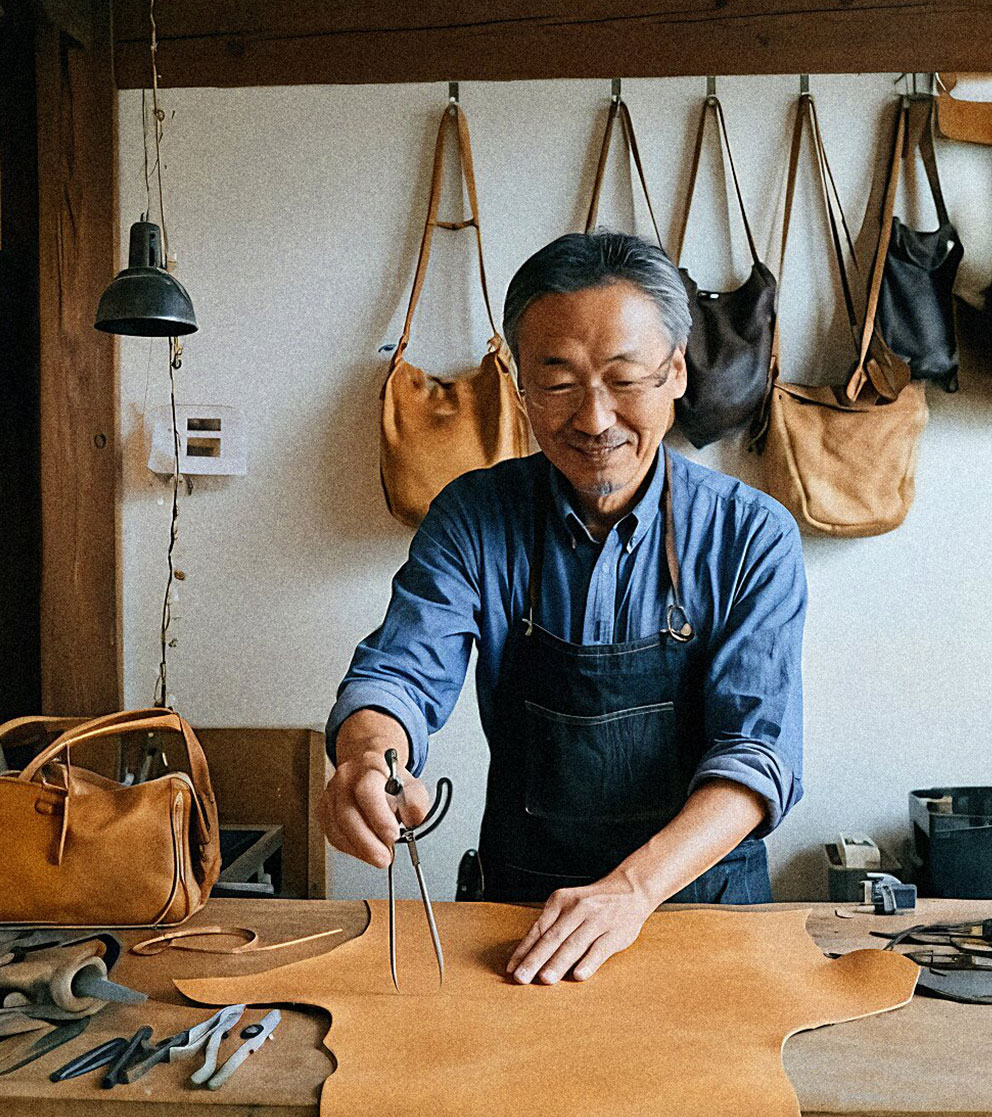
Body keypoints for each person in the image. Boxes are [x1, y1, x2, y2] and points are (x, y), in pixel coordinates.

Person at [323, 230, 806, 985]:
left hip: (704, 913)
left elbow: (757, 753)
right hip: (523, 919)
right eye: (557, 384)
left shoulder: (750, 535)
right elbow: (399, 676)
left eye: (625, 379)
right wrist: (367, 758)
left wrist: (631, 891)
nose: (594, 419)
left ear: (676, 372)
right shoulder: (474, 518)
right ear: (519, 387)